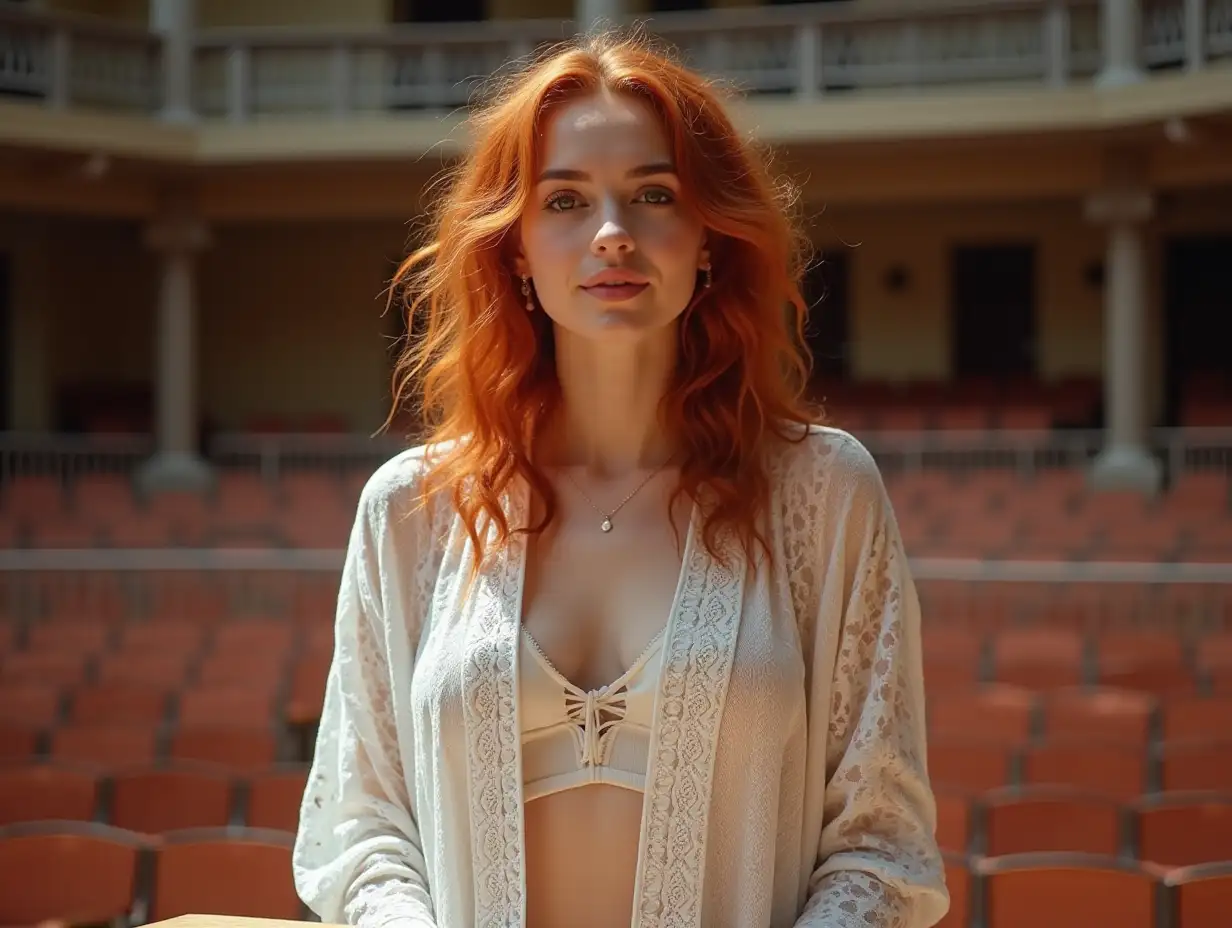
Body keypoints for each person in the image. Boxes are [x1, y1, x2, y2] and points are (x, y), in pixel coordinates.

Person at [293, 31, 948, 928]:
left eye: (653, 194)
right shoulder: (411, 510)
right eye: (564, 199)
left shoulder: (825, 494)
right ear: (516, 248)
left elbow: (882, 846)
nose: (612, 234)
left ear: (708, 238)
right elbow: (360, 830)